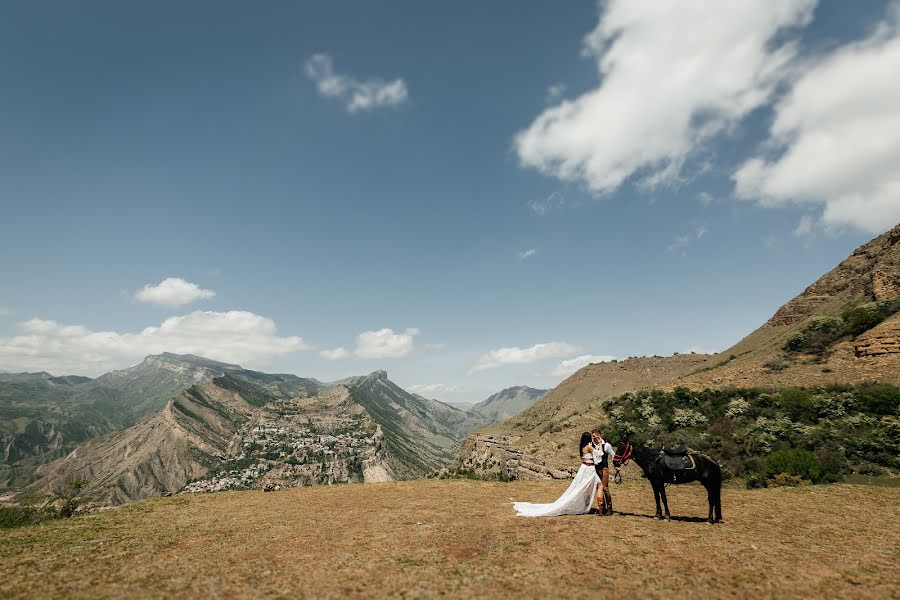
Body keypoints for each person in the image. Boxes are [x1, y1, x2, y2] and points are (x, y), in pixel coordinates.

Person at [512, 432, 600, 517]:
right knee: (592, 486)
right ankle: (598, 506)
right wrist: (599, 443)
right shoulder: (589, 447)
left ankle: (590, 504)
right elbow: (599, 454)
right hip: (589, 469)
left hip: (585, 468)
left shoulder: (582, 447)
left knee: (584, 486)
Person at [591, 428, 616, 516]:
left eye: (594, 436)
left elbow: (613, 454)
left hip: (604, 468)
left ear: (599, 435)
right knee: (599, 488)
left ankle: (609, 508)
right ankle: (603, 507)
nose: (593, 438)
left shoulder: (606, 445)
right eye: (592, 436)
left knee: (605, 488)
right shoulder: (592, 445)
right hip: (596, 469)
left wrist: (616, 465)